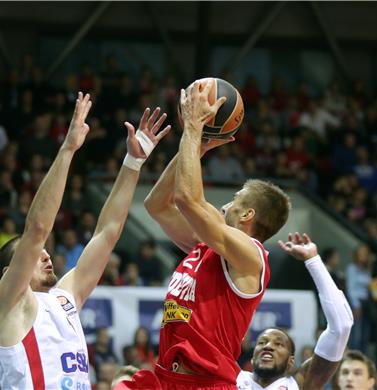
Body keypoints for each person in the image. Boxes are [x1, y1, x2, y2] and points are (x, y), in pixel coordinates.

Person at [0, 92, 170, 389]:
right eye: (37, 256)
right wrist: (68, 150)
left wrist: (133, 162)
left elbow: (107, 233)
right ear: (9, 274)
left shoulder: (64, 299)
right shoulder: (10, 304)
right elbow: (36, 228)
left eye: (46, 253)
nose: (47, 256)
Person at [119, 80, 292, 389]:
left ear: (248, 215)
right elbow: (157, 205)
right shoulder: (206, 246)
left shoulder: (250, 256)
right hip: (164, 377)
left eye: (236, 198)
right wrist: (196, 147)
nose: (225, 204)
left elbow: (187, 199)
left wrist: (194, 128)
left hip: (205, 383)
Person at [237, 232, 354, 389]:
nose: (268, 346)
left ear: (291, 362)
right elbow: (191, 323)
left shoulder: (299, 384)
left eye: (279, 344)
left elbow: (341, 326)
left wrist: (313, 261)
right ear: (252, 357)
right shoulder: (232, 377)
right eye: (262, 342)